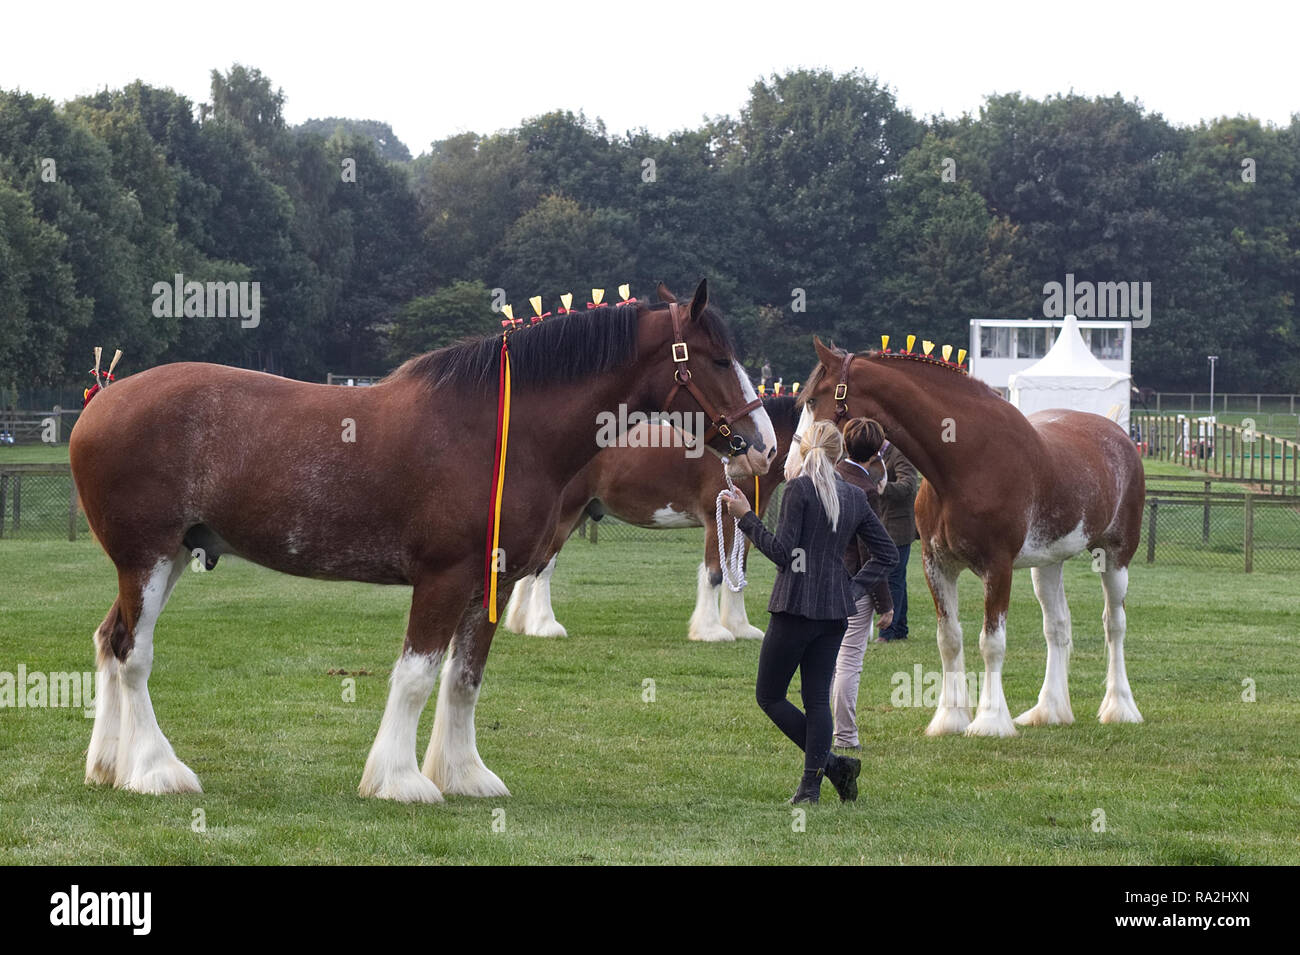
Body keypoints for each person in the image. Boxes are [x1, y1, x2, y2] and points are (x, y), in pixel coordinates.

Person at [724, 419, 897, 805]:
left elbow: (783, 554)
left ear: (804, 451)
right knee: (817, 700)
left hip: (795, 608)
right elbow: (886, 553)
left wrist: (744, 516)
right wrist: (851, 589)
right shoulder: (854, 496)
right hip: (835, 613)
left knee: (769, 696)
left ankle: (831, 768)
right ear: (839, 455)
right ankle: (815, 783)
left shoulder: (797, 490)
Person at [831, 418, 895, 750]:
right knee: (850, 660)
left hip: (824, 578)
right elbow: (871, 549)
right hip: (855, 581)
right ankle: (844, 734)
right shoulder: (866, 489)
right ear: (875, 454)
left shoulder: (829, 475)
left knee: (827, 658)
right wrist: (885, 603)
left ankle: (822, 725)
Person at [876, 440, 919, 643]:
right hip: (884, 525)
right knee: (897, 578)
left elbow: (909, 486)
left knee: (892, 578)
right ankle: (900, 629)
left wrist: (883, 488)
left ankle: (887, 633)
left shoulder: (900, 453)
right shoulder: (875, 455)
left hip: (899, 529)